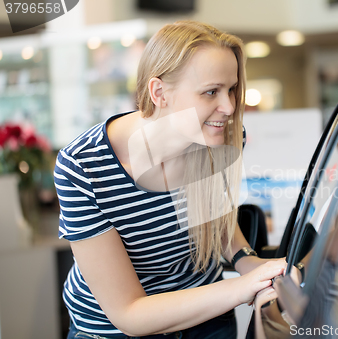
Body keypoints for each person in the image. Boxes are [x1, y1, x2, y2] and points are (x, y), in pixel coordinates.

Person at [55, 20, 285, 339]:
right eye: (211, 92)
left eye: (231, 89)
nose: (230, 107)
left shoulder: (218, 136)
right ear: (159, 92)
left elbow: (211, 211)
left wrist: (246, 261)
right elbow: (129, 313)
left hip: (206, 319)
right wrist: (243, 287)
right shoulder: (83, 165)